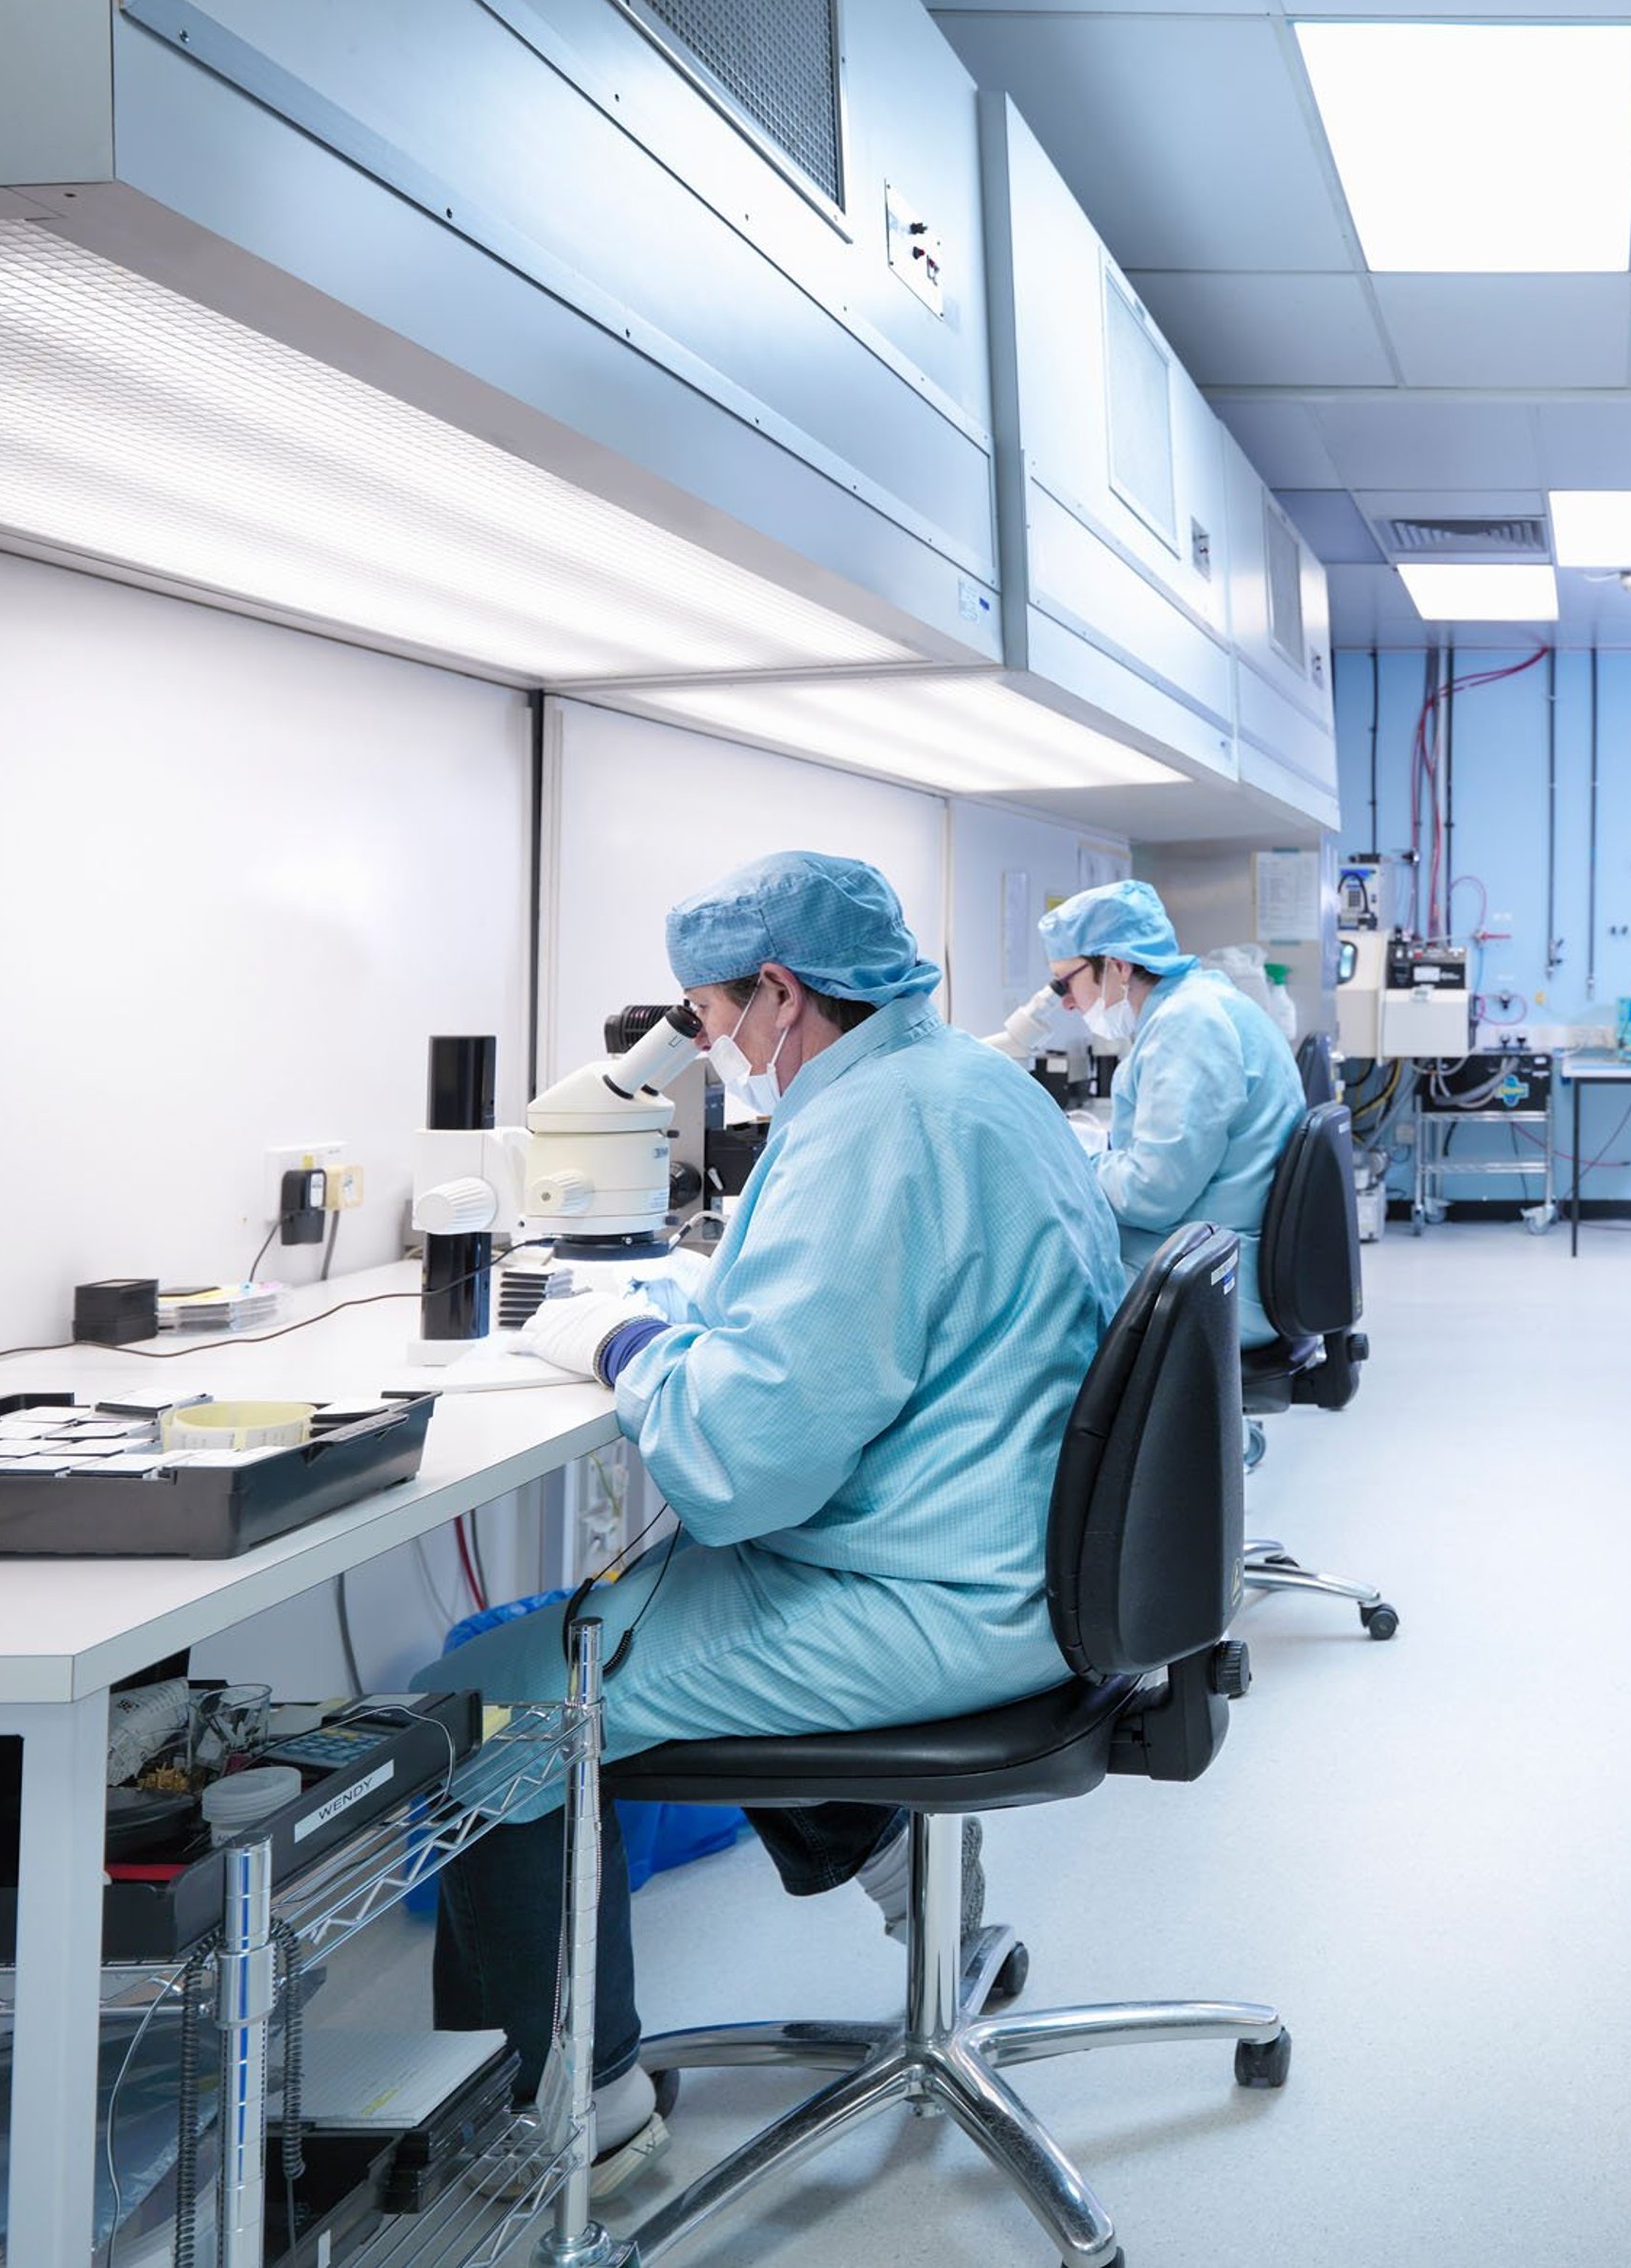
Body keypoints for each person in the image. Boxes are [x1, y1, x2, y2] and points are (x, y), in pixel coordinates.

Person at [427, 851, 1124, 2192]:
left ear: (783, 994)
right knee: (684, 1603)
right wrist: (678, 1320)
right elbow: (839, 1322)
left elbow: (748, 1465)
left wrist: (623, 1345)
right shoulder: (963, 1082)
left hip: (933, 1603)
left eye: (710, 1017)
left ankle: (582, 2098)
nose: (713, 1049)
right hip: (1009, 1562)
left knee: (497, 1695)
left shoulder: (867, 1130)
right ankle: (920, 1902)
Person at [989, 879, 1305, 1346]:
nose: (1069, 1002)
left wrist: (1073, 1160)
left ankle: (1065, 1421)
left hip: (1224, 1283)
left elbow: (1151, 1195)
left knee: (1029, 1283)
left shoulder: (1188, 1024)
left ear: (1116, 965)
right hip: (1232, 1258)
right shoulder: (1197, 1006)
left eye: (1066, 982)